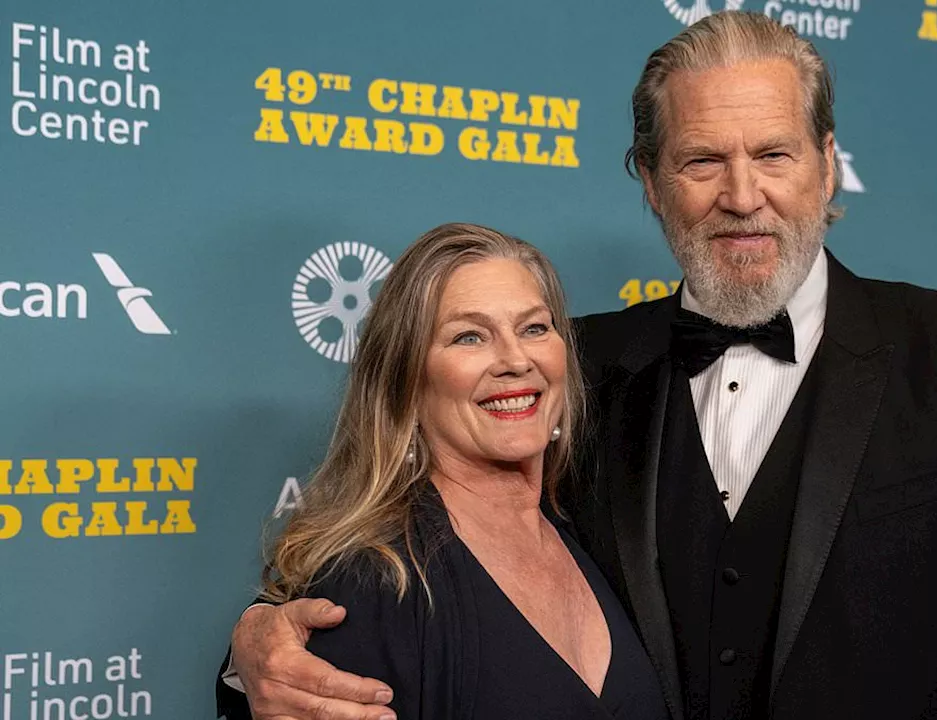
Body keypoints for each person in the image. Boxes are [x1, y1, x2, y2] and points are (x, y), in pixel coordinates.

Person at [218, 12, 937, 720]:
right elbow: (371, 577)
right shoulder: (575, 368)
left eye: (775, 155)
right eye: (702, 160)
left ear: (829, 168)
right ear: (650, 180)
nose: (742, 195)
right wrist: (253, 648)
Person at [233, 223, 668, 720]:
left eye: (533, 328)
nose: (514, 360)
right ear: (406, 381)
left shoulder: (589, 529)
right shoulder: (378, 580)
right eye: (469, 337)